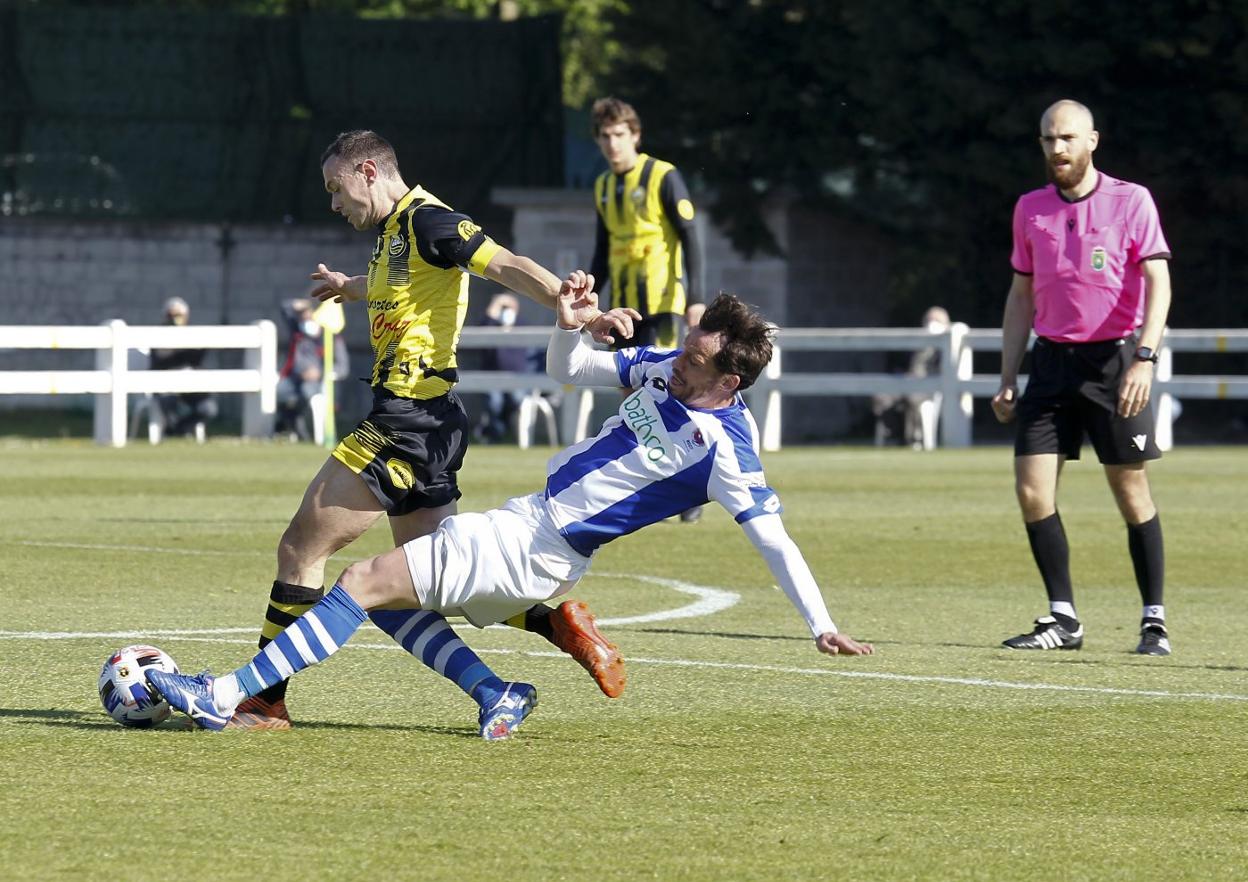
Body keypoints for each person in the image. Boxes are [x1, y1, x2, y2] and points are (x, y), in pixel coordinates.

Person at [147, 280, 875, 737]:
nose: (679, 360)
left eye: (695, 359)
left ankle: (226, 694)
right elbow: (573, 371)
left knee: (360, 581)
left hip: (537, 545)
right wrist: (571, 323)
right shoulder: (663, 372)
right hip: (534, 538)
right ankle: (498, 692)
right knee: (395, 604)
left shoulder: (727, 448)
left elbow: (774, 541)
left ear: (732, 379)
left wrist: (822, 624)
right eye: (684, 349)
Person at [229, 129, 639, 733]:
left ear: (368, 170)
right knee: (431, 580)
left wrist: (575, 307)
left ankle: (263, 701)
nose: (334, 204)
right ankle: (548, 633)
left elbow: (504, 263)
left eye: (336, 188)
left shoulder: (430, 220)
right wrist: (350, 287)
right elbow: (405, 285)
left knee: (301, 548)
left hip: (405, 420)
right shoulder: (396, 234)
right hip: (434, 420)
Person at [992, 99, 1173, 656]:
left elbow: (1159, 285)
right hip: (1050, 366)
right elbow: (1021, 295)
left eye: (1067, 138)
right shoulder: (1031, 209)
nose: (1057, 149)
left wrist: (1144, 357)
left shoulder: (1131, 200)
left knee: (1130, 488)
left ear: (1093, 140)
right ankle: (1063, 619)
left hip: (1116, 364)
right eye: (1048, 140)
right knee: (1031, 491)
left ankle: (1154, 620)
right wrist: (1007, 376)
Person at [589, 96, 706, 523]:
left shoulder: (663, 176)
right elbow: (602, 251)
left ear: (635, 135)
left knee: (672, 389)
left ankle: (692, 482)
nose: (612, 143)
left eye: (619, 134)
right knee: (632, 397)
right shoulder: (602, 186)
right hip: (623, 309)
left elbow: (691, 236)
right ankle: (663, 477)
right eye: (604, 136)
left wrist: (696, 297)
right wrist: (587, 299)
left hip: (663, 304)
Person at [872, 306, 950, 449]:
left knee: (912, 398)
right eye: (929, 320)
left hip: (927, 388)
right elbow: (904, 367)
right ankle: (892, 435)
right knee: (882, 398)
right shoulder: (916, 343)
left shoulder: (944, 348)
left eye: (936, 321)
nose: (931, 324)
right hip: (906, 382)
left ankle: (912, 439)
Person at [274, 297, 349, 441]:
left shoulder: (331, 337)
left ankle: (301, 432)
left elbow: (342, 367)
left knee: (306, 393)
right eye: (302, 316)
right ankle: (287, 426)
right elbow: (285, 308)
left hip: (317, 382)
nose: (306, 320)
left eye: (308, 315)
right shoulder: (298, 332)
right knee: (281, 392)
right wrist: (301, 303)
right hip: (294, 377)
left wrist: (320, 373)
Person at [148, 296, 219, 440]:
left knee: (208, 408)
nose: (175, 319)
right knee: (168, 402)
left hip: (190, 385)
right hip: (166, 386)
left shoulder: (191, 335)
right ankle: (173, 431)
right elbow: (162, 360)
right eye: (171, 315)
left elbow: (195, 361)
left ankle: (179, 430)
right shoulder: (158, 336)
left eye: (179, 315)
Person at [472, 292, 531, 443]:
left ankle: (500, 429)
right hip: (491, 378)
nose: (506, 311)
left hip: (517, 379)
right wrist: (496, 303)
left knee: (516, 398)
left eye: (508, 307)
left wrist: (511, 307)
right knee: (494, 401)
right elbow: (482, 329)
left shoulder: (521, 324)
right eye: (502, 307)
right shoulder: (491, 324)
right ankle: (496, 435)